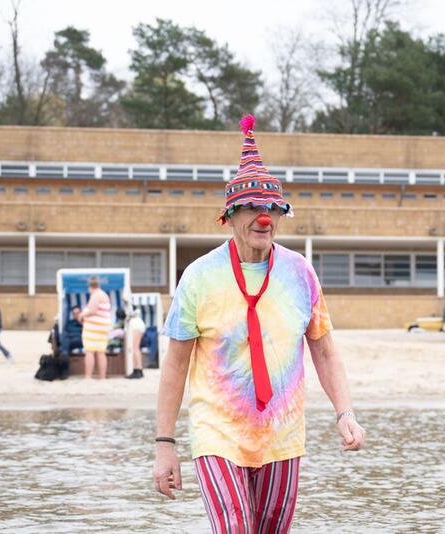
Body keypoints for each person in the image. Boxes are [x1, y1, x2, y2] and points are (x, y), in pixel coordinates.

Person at [153, 115, 366, 532]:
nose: (262, 217)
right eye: (251, 207)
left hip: (283, 436)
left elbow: (323, 349)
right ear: (229, 216)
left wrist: (345, 413)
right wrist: (165, 446)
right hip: (218, 433)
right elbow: (176, 366)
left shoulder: (300, 273)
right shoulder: (198, 276)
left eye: (270, 207)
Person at [76, 276, 111, 379]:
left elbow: (93, 310)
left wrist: (82, 315)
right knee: (101, 351)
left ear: (90, 287)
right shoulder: (104, 294)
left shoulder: (96, 295)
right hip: (104, 326)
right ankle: (102, 377)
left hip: (94, 328)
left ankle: (88, 376)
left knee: (89, 351)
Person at [125, 311, 146, 379]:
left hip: (136, 326)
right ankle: (139, 370)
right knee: (136, 348)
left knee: (135, 348)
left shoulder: (132, 320)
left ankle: (137, 370)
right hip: (139, 325)